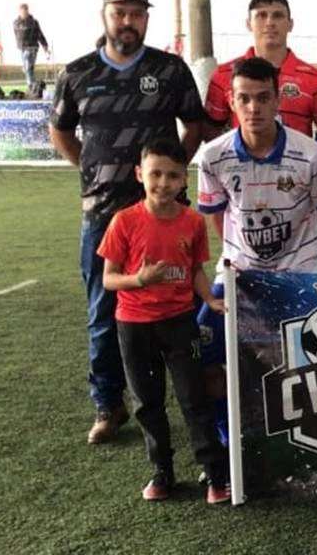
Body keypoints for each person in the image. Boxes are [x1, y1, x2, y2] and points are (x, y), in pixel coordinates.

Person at [49, 0, 209, 445]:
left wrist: (169, 176)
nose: (128, 21)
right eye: (119, 12)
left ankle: (194, 398)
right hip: (102, 214)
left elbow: (194, 125)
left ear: (146, 19)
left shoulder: (170, 69)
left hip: (164, 215)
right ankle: (108, 404)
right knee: (103, 311)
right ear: (104, 16)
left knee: (182, 306)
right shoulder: (77, 73)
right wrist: (92, 169)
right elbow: (61, 131)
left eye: (136, 14)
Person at [196, 56, 317, 446]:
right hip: (239, 271)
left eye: (262, 98)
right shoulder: (213, 156)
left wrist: (304, 258)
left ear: (278, 100)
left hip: (302, 268)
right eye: (244, 98)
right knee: (204, 352)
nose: (253, 107)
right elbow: (217, 216)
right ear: (231, 101)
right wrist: (238, 255)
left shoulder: (311, 155)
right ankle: (229, 444)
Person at [97, 137, 230, 504]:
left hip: (180, 322)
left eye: (172, 175)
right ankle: (162, 472)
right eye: (155, 174)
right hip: (134, 325)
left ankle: (215, 474)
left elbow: (196, 270)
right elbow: (108, 279)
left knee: (194, 397)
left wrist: (209, 299)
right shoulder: (124, 222)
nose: (163, 183)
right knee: (147, 402)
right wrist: (139, 280)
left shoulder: (192, 222)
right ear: (140, 174)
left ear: (184, 179)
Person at [204, 0, 317, 138]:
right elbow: (211, 133)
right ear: (248, 24)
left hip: (298, 153)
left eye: (278, 16)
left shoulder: (315, 81)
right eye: (261, 15)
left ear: (290, 24)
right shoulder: (223, 76)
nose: (270, 23)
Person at [14, 3, 50, 89]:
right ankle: (32, 84)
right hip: (22, 48)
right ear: (19, 12)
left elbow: (39, 34)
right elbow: (17, 35)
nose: (23, 13)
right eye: (22, 12)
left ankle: (30, 84)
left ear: (27, 11)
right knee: (29, 68)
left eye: (25, 11)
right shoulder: (16, 23)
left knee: (28, 66)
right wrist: (19, 44)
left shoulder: (33, 22)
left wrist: (45, 46)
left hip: (32, 47)